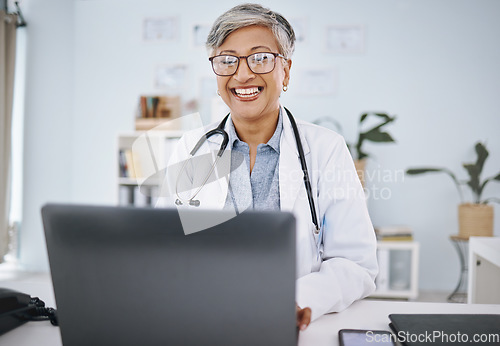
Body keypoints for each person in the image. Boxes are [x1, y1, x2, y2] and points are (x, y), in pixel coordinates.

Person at [163, 3, 378, 330]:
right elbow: (161, 247)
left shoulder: (325, 149)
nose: (242, 74)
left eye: (260, 57)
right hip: (202, 320)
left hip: (284, 322)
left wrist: (297, 298)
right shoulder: (190, 149)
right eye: (227, 61)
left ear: (286, 71)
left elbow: (355, 264)